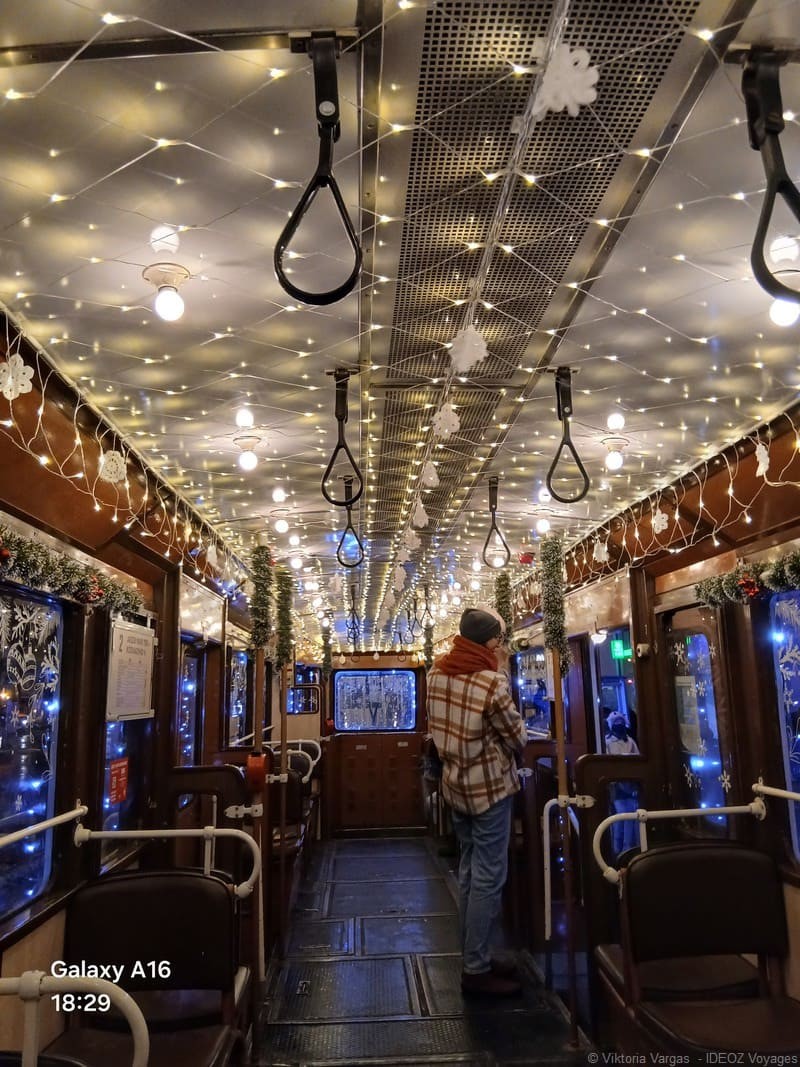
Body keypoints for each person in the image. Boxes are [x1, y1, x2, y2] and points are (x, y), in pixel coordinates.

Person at [426, 605, 527, 996]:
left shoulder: (436, 675)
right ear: (488, 642)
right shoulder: (491, 682)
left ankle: (476, 952)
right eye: (497, 641)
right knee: (488, 877)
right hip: (489, 791)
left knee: (469, 871)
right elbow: (517, 736)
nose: (499, 647)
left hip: (455, 788)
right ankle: (476, 969)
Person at [604, 710, 640, 856]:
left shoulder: (630, 741)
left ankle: (627, 848)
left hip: (629, 783)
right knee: (619, 817)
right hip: (616, 785)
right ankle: (617, 849)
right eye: (616, 723)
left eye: (621, 722)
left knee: (630, 816)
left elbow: (637, 759)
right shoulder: (607, 742)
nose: (619, 725)